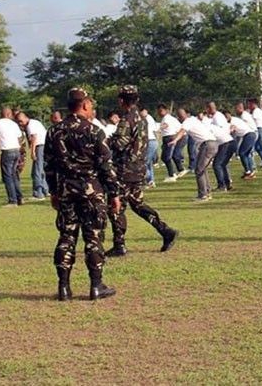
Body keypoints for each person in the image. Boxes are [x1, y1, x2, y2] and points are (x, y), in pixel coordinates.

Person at [44, 88, 121, 300]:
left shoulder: (53, 131)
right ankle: (96, 286)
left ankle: (64, 288)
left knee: (66, 237)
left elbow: (48, 166)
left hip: (66, 191)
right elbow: (106, 167)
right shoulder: (95, 131)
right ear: (85, 105)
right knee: (93, 237)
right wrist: (114, 194)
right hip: (91, 191)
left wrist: (53, 191)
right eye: (91, 106)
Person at [105, 86, 178, 257]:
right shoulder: (142, 119)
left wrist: (107, 141)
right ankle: (165, 231)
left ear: (121, 100)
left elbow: (119, 144)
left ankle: (119, 245)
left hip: (124, 170)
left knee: (116, 207)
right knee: (137, 205)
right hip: (138, 168)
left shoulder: (126, 120)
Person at [170, 108, 218, 201]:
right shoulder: (193, 120)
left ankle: (203, 195)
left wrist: (175, 140)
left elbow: (182, 131)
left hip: (207, 144)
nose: (178, 118)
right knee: (202, 169)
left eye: (179, 116)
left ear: (181, 116)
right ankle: (207, 192)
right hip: (212, 143)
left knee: (199, 170)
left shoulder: (187, 122)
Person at [0, 107, 24, 207]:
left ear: (1, 114)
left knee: (7, 176)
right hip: (16, 150)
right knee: (14, 175)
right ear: (9, 114)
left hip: (7, 151)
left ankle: (12, 201)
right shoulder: (14, 124)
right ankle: (19, 197)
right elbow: (20, 138)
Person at [15, 111, 49, 200]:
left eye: (20, 121)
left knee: (36, 171)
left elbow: (34, 138)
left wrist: (33, 151)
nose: (20, 123)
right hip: (45, 146)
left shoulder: (31, 125)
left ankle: (38, 194)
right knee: (41, 170)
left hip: (39, 146)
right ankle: (45, 190)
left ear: (25, 117)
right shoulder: (35, 122)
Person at [157, 104, 186, 182]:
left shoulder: (167, 118)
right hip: (173, 137)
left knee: (166, 157)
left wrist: (158, 128)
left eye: (161, 111)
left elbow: (166, 125)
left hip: (170, 137)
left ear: (166, 110)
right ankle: (180, 170)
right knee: (170, 156)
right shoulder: (168, 118)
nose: (159, 113)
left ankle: (172, 175)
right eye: (158, 111)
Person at [232, 102, 258, 180]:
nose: (235, 110)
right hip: (250, 133)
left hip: (250, 133)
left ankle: (249, 170)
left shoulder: (243, 115)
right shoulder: (242, 115)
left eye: (236, 109)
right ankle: (250, 171)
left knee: (242, 153)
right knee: (246, 153)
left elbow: (244, 125)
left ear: (240, 108)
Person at [212, 111, 237, 192]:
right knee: (223, 164)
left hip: (226, 143)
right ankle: (227, 184)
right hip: (231, 142)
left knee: (217, 165)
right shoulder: (219, 123)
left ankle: (222, 186)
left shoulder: (209, 127)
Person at [248, 98, 262, 169]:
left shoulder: (256, 111)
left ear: (254, 104)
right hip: (260, 129)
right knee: (258, 147)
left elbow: (252, 120)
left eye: (250, 104)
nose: (249, 106)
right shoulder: (259, 111)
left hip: (259, 129)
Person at [139, 107, 159, 187]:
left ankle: (147, 179)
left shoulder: (147, 119)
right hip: (151, 141)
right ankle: (151, 181)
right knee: (148, 162)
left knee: (144, 162)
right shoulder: (148, 118)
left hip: (150, 141)